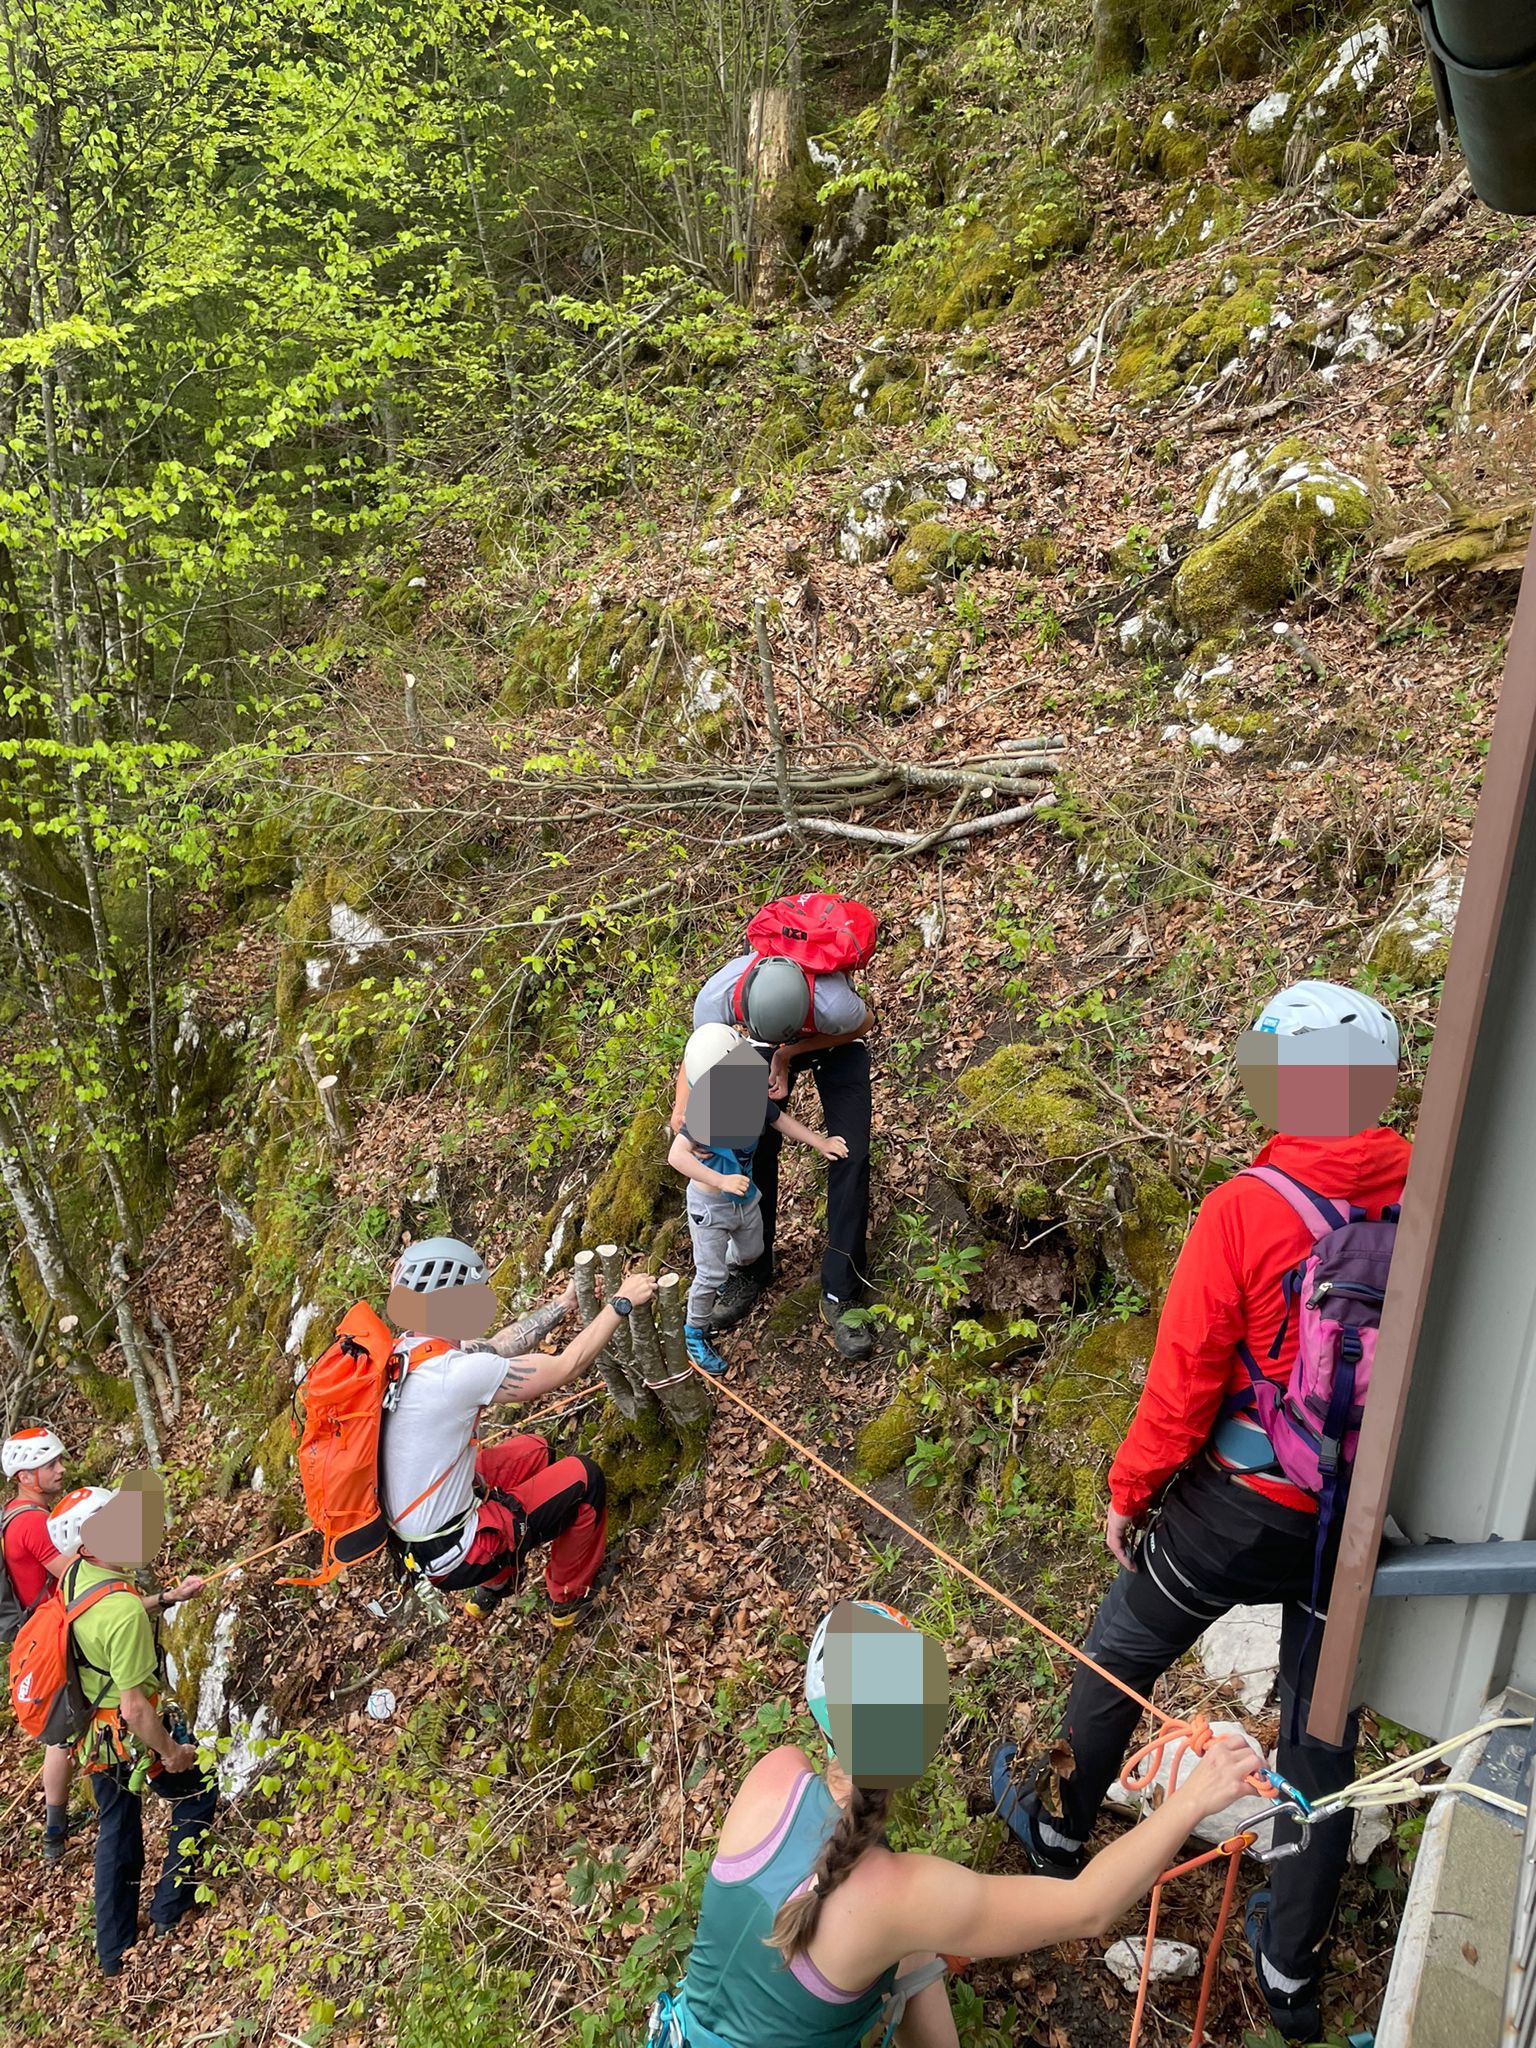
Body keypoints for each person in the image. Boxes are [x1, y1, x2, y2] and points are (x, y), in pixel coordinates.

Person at [990, 979, 1411, 2043]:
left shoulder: (1246, 1207)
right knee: (1323, 1735)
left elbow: (1183, 1380)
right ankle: (1291, 1967)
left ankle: (1056, 1823)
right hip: (1362, 1519)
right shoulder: (1432, 1182)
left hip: (1242, 1502)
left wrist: (1130, 1495)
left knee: (1121, 1644)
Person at [650, 1599, 1262, 2047]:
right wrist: (1192, 1800)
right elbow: (1088, 1907)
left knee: (911, 1946)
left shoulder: (773, 1775)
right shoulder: (903, 1893)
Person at [379, 1236, 655, 1625]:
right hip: (457, 1552)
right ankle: (567, 1599)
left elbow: (497, 1345)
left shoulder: (405, 1352)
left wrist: (563, 1304)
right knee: (585, 1478)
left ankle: (496, 1581)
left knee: (534, 1451)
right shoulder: (453, 1375)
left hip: (420, 1541)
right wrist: (620, 1303)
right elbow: (566, 1368)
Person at [44, 1481, 213, 1977]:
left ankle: (114, 1949)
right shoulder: (119, 1614)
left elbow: (104, 1610)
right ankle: (170, 1906)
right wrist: (171, 1752)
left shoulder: (78, 1575)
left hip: (93, 1733)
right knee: (198, 1791)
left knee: (117, 1825)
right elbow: (138, 1710)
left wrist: (167, 1597)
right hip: (125, 1734)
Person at [678, 949, 874, 1359]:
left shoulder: (833, 1003)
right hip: (759, 1039)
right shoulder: (718, 996)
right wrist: (683, 1111)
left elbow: (863, 1024)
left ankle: (842, 1292)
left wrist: (788, 1055)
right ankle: (753, 1267)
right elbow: (697, 1053)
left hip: (832, 1041)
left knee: (850, 1154)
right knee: (752, 1138)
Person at [668, 1022, 848, 1375]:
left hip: (745, 1195)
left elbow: (779, 1119)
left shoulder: (747, 1085)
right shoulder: (705, 1109)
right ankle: (694, 1331)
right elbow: (678, 1156)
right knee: (709, 1275)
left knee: (753, 1252)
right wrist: (719, 1179)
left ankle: (729, 1267)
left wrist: (820, 1142)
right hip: (710, 1206)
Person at [2, 1426, 81, 1862]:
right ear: (26, 1475)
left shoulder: (13, 1513)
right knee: (60, 1734)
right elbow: (73, 1571)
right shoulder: (31, 1522)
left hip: (39, 1633)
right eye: (50, 1464)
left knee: (63, 1730)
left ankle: (57, 1827)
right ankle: (54, 1831)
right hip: (50, 1635)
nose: (60, 1470)